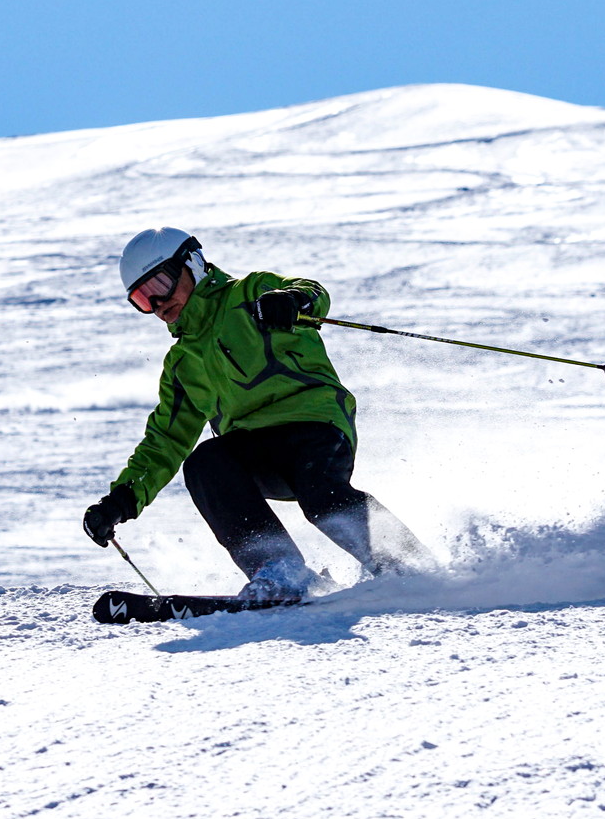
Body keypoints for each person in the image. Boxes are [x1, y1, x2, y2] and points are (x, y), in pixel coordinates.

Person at [83, 227, 420, 599]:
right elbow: (165, 441)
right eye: (143, 299)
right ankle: (278, 570)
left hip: (313, 427)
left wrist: (291, 300)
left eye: (160, 284)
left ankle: (406, 565)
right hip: (256, 450)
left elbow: (313, 291)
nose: (158, 303)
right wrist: (120, 501)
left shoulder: (249, 293)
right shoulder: (183, 364)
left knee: (321, 498)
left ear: (191, 264)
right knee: (204, 463)